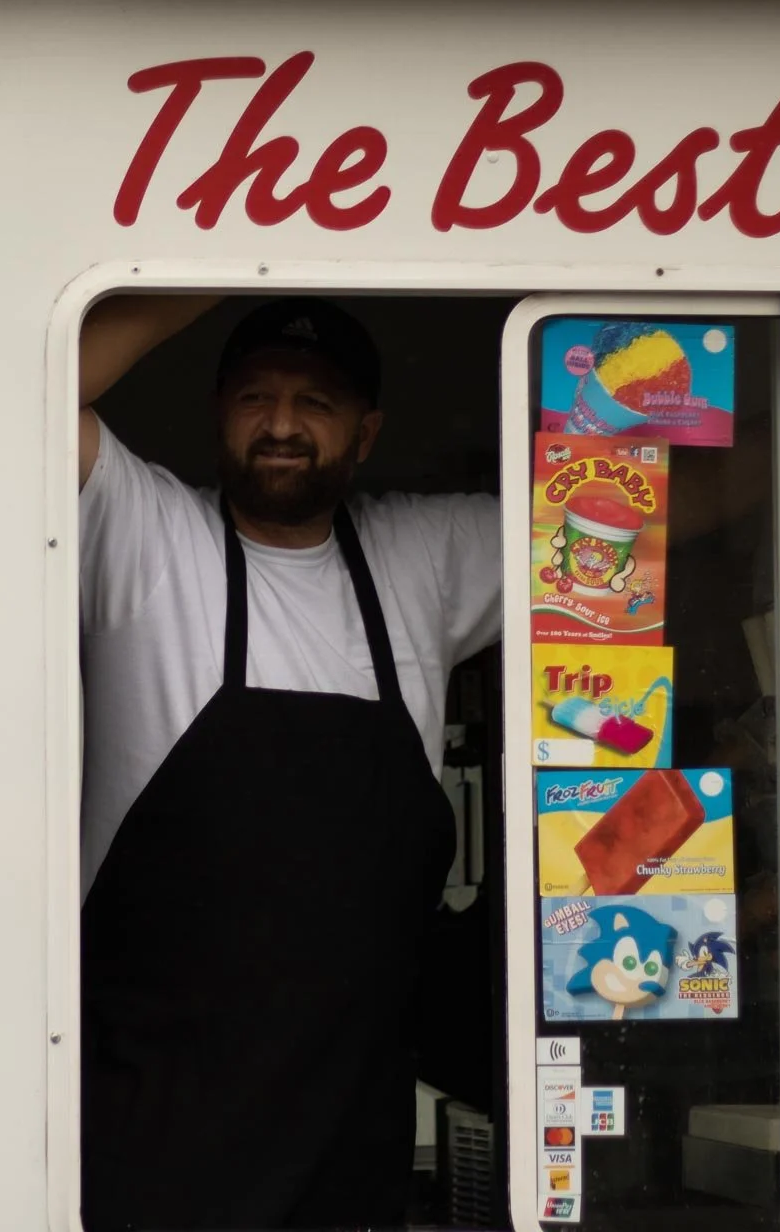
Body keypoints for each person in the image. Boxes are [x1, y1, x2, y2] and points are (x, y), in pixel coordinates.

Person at [75, 293, 500, 1232]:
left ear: (366, 432)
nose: (280, 425)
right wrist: (222, 258)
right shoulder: (146, 533)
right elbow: (20, 388)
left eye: (316, 403)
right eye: (254, 397)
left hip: (352, 1136)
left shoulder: (425, 554)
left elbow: (631, 524)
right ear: (218, 410)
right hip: (152, 1133)